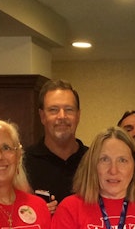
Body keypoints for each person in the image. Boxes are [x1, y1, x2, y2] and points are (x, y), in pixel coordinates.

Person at [24, 79, 88, 214]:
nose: (62, 116)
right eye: (53, 110)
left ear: (78, 115)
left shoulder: (93, 160)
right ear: (42, 116)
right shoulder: (23, 163)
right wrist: (34, 212)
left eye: (69, 110)